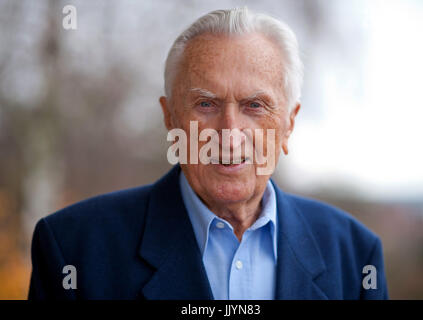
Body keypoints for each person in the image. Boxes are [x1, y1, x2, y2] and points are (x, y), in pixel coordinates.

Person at [28, 7, 388, 300]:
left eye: (255, 105)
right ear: (170, 117)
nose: (229, 134)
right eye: (205, 103)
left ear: (288, 124)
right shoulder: (73, 250)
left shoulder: (355, 257)